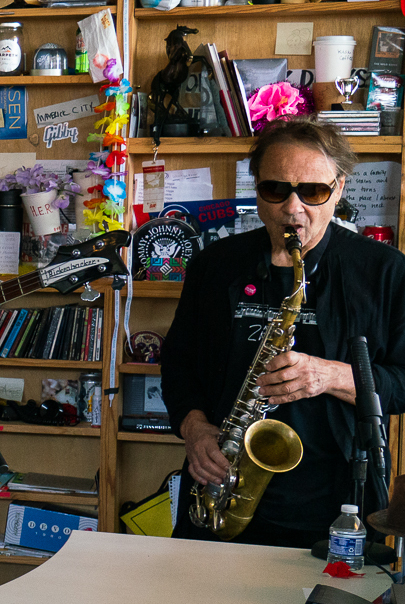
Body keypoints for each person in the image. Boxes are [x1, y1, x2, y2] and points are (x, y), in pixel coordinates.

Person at [161, 117, 405, 549]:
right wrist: (194, 429)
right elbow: (178, 363)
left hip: (336, 507)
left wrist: (327, 375)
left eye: (312, 191)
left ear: (340, 188)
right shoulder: (216, 265)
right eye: (276, 189)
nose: (293, 209)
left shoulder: (384, 272)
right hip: (219, 492)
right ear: (256, 187)